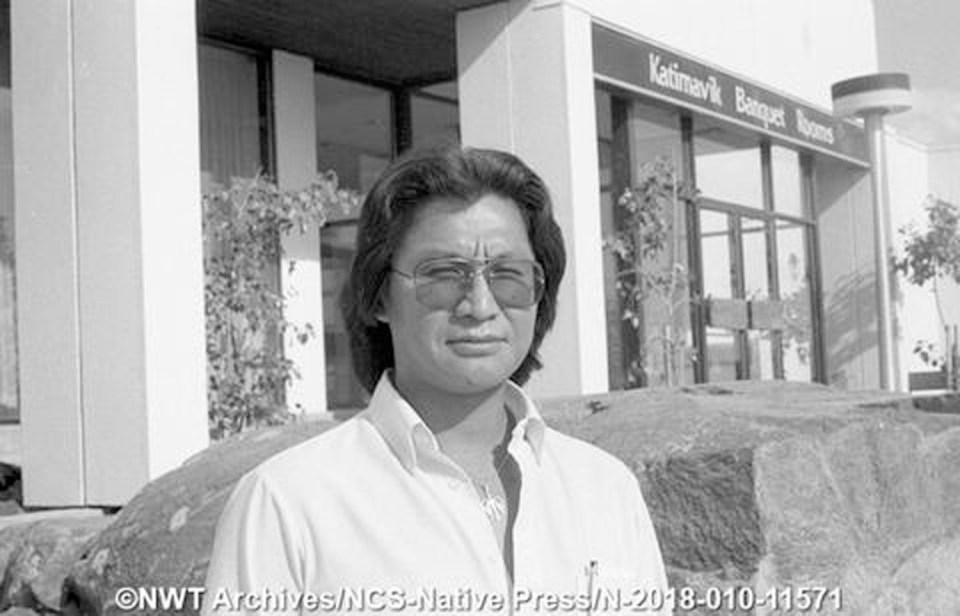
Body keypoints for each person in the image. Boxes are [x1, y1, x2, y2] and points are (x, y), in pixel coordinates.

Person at [202, 147, 669, 615]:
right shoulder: (288, 503)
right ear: (380, 294)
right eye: (444, 274)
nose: (480, 305)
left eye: (509, 274)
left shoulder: (605, 488)